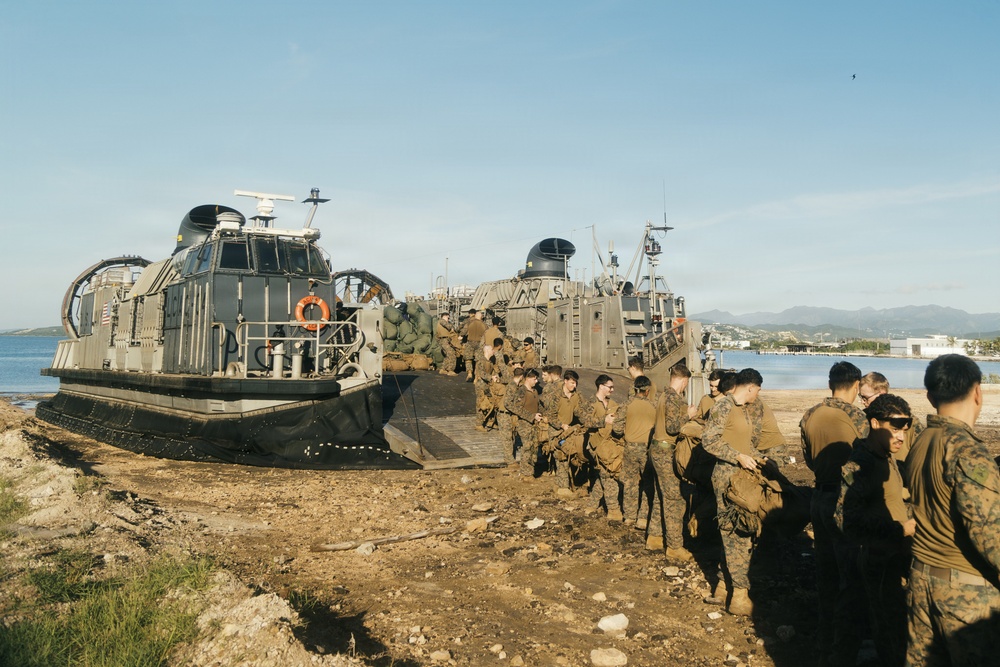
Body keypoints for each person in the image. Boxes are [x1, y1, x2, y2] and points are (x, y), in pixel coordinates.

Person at [904, 354, 1000, 665]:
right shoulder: (968, 450)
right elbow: (989, 534)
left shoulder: (922, 440)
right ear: (978, 392)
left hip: (921, 580)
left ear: (931, 397)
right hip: (966, 593)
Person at [835, 393, 916, 667]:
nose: (901, 437)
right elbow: (845, 520)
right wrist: (899, 529)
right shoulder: (860, 464)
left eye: (904, 429)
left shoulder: (885, 456)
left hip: (894, 557)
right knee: (888, 632)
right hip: (877, 561)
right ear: (874, 423)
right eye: (895, 428)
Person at [800, 361, 870, 667]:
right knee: (850, 577)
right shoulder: (856, 416)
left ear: (830, 384)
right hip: (844, 500)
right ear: (855, 385)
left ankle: (824, 641)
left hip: (819, 497)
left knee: (825, 573)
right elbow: (870, 456)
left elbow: (808, 458)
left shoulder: (810, 414)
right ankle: (845, 648)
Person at [701, 368, 767, 616]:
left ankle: (723, 586)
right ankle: (739, 595)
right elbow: (709, 441)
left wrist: (760, 459)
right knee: (737, 533)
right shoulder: (723, 406)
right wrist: (737, 456)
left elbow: (744, 444)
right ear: (750, 387)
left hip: (740, 476)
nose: (757, 395)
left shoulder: (742, 410)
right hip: (726, 477)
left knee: (731, 532)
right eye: (757, 390)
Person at [646, 364, 699, 560]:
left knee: (660, 496)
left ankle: (655, 537)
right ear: (684, 380)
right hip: (666, 451)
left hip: (657, 449)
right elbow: (672, 427)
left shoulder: (662, 395)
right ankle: (674, 546)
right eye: (686, 383)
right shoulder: (673, 398)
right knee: (673, 500)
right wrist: (689, 415)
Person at [611, 376, 657, 528]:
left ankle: (629, 516)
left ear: (635, 389)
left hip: (630, 448)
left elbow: (617, 429)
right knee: (647, 482)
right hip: (646, 449)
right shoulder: (654, 406)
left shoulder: (626, 404)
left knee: (629, 483)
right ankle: (643, 517)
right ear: (647, 390)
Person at [859, 371, 924, 469]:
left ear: (882, 394)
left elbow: (922, 449)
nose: (862, 402)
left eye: (865, 398)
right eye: (861, 397)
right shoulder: (861, 417)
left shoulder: (908, 420)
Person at [584, 374, 622, 519]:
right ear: (601, 386)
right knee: (608, 473)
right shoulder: (591, 403)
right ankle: (613, 510)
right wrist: (603, 420)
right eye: (609, 387)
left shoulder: (613, 403)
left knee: (603, 474)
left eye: (613, 387)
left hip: (610, 444)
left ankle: (592, 504)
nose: (612, 390)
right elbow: (586, 421)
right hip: (596, 444)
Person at [506, 368, 543, 478]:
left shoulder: (534, 391)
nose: (536, 381)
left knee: (534, 447)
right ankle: (525, 473)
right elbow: (516, 408)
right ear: (527, 378)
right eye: (534, 379)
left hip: (534, 424)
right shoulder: (521, 391)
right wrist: (531, 416)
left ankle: (530, 470)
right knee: (527, 447)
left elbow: (538, 405)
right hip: (524, 423)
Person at [461, 309, 487, 382]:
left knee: (468, 359)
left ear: (475, 316)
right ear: (481, 317)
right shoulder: (484, 325)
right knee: (478, 360)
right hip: (479, 344)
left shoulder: (469, 323)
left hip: (470, 343)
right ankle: (477, 376)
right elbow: (486, 334)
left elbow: (463, 332)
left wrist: (461, 336)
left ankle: (469, 373)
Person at [434, 312, 460, 376]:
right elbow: (449, 327)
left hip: (445, 340)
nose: (448, 319)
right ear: (444, 316)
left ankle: (443, 369)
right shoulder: (442, 321)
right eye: (448, 318)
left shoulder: (440, 322)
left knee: (447, 355)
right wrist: (452, 327)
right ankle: (451, 370)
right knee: (452, 353)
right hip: (444, 340)